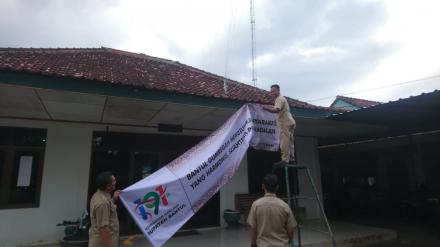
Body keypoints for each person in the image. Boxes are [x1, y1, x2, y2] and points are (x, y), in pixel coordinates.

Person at [247, 173, 297, 247]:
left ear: (263, 186)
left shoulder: (256, 205)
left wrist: (253, 244)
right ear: (277, 187)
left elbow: (253, 229)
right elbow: (291, 231)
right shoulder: (285, 206)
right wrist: (287, 241)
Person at [263, 84, 296, 165]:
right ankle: (291, 158)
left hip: (285, 123)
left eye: (273, 91)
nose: (272, 93)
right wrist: (270, 107)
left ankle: (285, 160)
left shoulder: (279, 99)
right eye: (271, 92)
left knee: (284, 141)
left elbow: (276, 110)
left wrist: (266, 108)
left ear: (278, 90)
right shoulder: (282, 99)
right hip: (290, 122)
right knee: (290, 141)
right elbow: (277, 108)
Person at [89, 171, 120, 247]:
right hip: (103, 243)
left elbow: (108, 208)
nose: (115, 182)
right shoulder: (102, 203)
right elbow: (103, 229)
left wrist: (114, 199)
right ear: (108, 186)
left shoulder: (102, 194)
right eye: (114, 181)